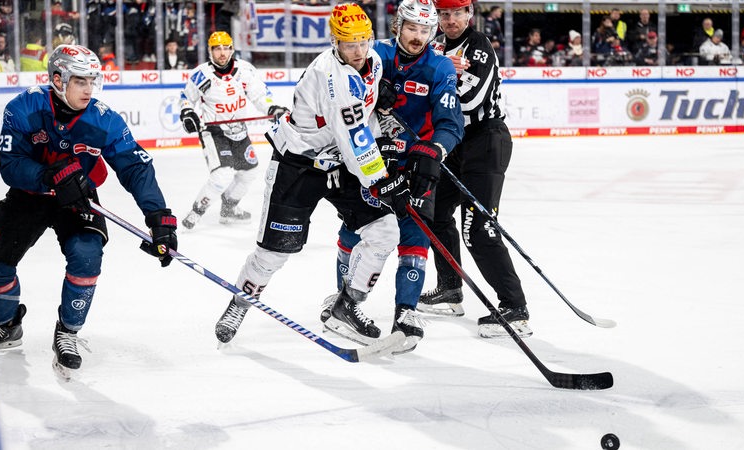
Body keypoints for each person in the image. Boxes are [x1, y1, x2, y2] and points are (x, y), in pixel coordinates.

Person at [214, 3, 409, 346]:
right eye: (350, 44)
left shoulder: (373, 62)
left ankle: (347, 306)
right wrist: (380, 180)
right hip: (299, 165)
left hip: (338, 163)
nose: (359, 50)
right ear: (335, 41)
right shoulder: (329, 77)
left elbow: (359, 122)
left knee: (384, 231)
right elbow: (353, 138)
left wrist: (379, 102)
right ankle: (239, 303)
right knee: (274, 253)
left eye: (364, 41)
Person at [0, 44, 178, 375]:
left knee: (87, 255)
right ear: (57, 79)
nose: (89, 89)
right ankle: (7, 325)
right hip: (31, 193)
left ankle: (68, 332)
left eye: (92, 81)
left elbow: (135, 167)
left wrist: (159, 218)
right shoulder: (24, 107)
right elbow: (10, 164)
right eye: (80, 81)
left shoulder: (104, 120)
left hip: (78, 197)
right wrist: (47, 176)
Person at [324, 0, 463, 353]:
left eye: (424, 30)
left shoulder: (439, 66)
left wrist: (435, 151)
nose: (418, 37)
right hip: (371, 162)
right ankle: (344, 300)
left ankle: (406, 313)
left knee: (416, 233)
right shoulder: (374, 55)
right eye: (412, 28)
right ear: (397, 26)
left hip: (415, 163)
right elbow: (338, 83)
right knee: (356, 228)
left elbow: (451, 122)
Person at [417, 0, 531, 339]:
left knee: (478, 228)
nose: (450, 21)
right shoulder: (436, 46)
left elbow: (468, 101)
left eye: (457, 13)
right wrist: (437, 69)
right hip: (456, 143)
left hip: (486, 140)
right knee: (434, 214)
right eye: (444, 14)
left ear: (469, 14)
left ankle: (515, 307)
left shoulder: (479, 47)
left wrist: (436, 75)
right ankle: (450, 288)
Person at [179, 31, 288, 229]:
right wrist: (187, 112)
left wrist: (272, 108)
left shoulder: (245, 71)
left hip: (239, 131)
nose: (222, 53)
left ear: (232, 49)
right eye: (217, 48)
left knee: (249, 172)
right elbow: (186, 98)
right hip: (214, 132)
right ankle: (196, 212)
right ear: (210, 51)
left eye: (226, 48)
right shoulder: (202, 74)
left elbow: (260, 96)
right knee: (222, 175)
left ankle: (228, 208)